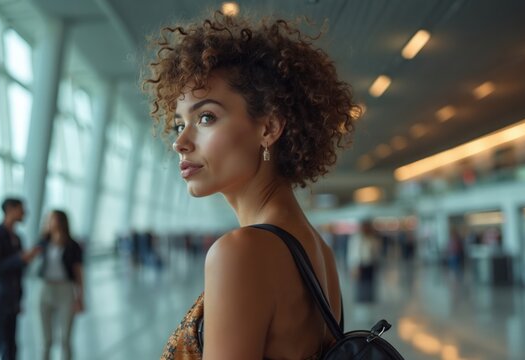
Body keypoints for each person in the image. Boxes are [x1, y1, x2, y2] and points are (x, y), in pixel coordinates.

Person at [144, 11, 357, 359]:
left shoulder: (242, 251)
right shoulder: (319, 251)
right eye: (178, 124)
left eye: (206, 117)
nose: (180, 141)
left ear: (269, 128)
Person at [0, 197, 42, 360]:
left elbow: (17, 272)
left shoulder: (16, 237)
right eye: (21, 209)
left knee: (10, 347)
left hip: (10, 302)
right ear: (10, 210)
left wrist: (19, 299)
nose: (25, 213)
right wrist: (20, 258)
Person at [37, 210, 84, 360]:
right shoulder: (43, 243)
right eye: (48, 219)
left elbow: (78, 273)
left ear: (61, 221)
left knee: (65, 339)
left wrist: (80, 298)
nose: (49, 222)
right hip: (46, 289)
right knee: (47, 340)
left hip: (65, 290)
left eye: (52, 219)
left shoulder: (73, 245)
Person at [347, 221, 382, 302]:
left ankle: (369, 298)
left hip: (370, 264)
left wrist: (376, 263)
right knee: (360, 284)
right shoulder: (357, 238)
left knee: (370, 282)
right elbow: (353, 253)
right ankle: (361, 299)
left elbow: (376, 252)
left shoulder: (372, 238)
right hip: (360, 264)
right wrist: (353, 267)